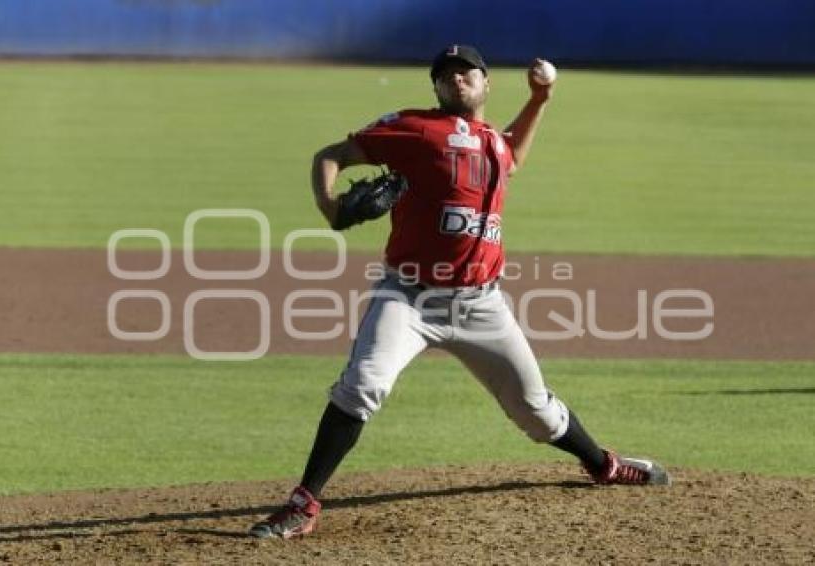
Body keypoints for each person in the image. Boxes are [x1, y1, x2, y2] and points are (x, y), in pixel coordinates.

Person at [249, 44, 670, 540]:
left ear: (486, 83)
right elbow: (331, 156)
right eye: (446, 74)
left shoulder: (493, 141)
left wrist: (540, 99)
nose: (456, 78)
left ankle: (603, 464)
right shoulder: (412, 128)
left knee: (535, 411)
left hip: (481, 305)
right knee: (362, 385)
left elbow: (511, 156)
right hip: (407, 299)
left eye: (466, 71)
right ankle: (303, 504)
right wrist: (332, 208)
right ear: (436, 87)